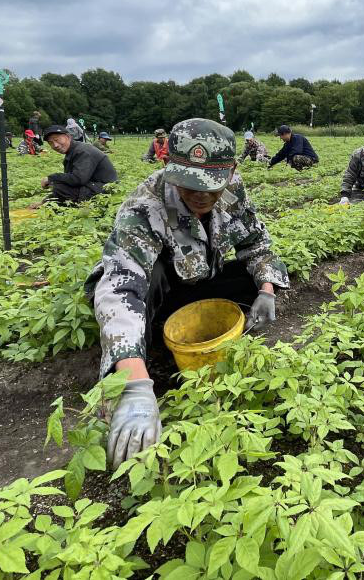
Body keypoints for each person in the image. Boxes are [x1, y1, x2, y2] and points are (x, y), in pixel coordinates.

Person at [87, 118, 289, 468]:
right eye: (188, 183)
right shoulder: (144, 205)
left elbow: (257, 242)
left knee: (249, 279)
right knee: (143, 284)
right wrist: (133, 384)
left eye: (210, 185)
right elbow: (122, 287)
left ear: (231, 171)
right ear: (168, 166)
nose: (200, 194)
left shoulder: (233, 188)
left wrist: (267, 288)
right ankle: (142, 354)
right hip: (158, 292)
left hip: (198, 277)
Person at [37, 124, 118, 205]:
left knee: (59, 187)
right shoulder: (73, 151)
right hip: (95, 186)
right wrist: (43, 202)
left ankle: (79, 206)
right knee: (60, 185)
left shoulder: (83, 151)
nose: (55, 145)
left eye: (57, 140)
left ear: (68, 137)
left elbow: (78, 179)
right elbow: (70, 180)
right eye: (50, 143)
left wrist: (51, 178)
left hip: (105, 189)